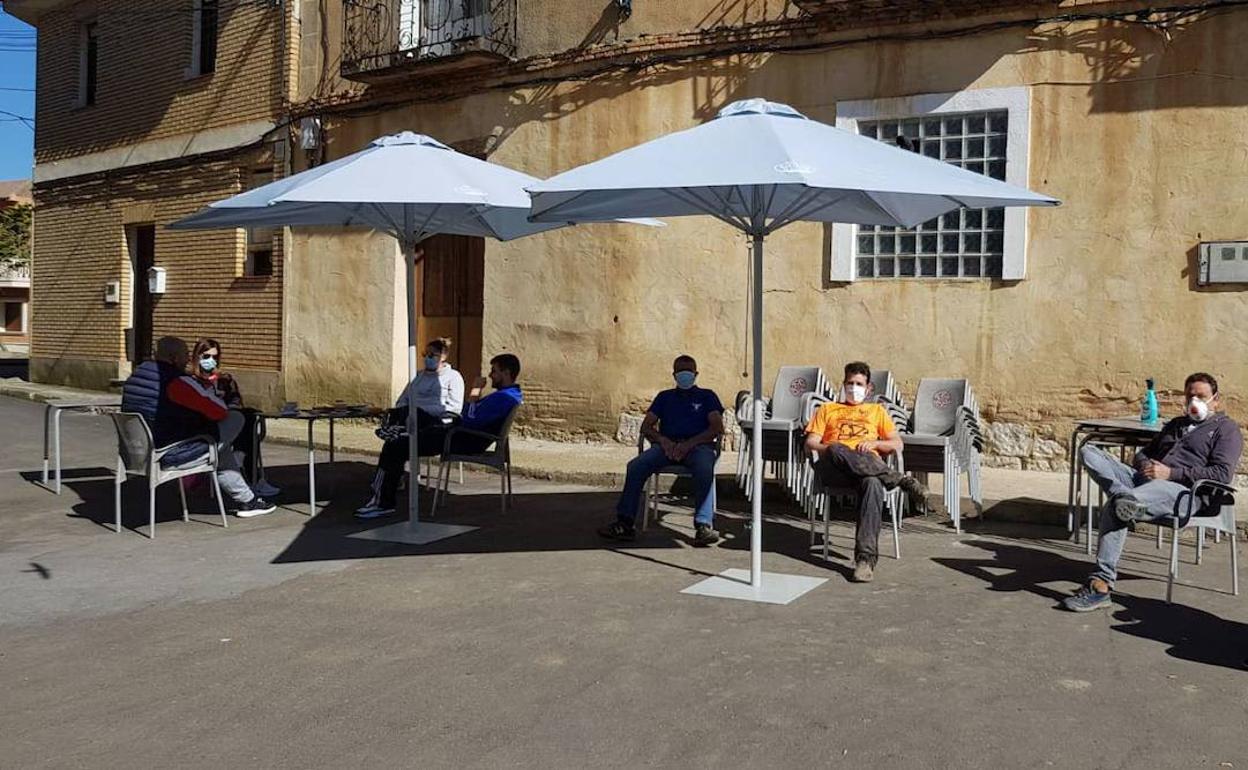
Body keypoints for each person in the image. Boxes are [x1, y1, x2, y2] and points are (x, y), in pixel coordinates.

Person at [1063, 373, 1243, 612]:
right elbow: (1142, 454)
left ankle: (1101, 586)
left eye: (1201, 396)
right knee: (1090, 452)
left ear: (1216, 400)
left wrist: (1171, 473)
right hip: (1144, 482)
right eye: (1190, 395)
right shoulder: (1176, 425)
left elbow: (1221, 473)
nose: (1194, 401)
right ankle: (1123, 496)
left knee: (1119, 506)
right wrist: (1145, 465)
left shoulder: (1226, 429)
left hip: (1183, 493)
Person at [120, 336, 276, 518]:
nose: (187, 360)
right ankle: (244, 476)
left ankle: (248, 501)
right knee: (237, 419)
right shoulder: (175, 381)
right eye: (185, 355)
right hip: (171, 452)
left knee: (218, 450)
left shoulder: (134, 377)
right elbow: (219, 411)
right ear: (174, 357)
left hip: (137, 452)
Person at [356, 352, 522, 519]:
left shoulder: (505, 398)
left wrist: (475, 390)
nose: (490, 375)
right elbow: (470, 414)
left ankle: (382, 502)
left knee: (395, 446)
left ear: (506, 373)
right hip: (458, 433)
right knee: (414, 415)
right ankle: (397, 430)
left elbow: (469, 418)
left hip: (462, 439)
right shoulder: (507, 395)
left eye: (494, 371)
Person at [803, 361, 928, 583]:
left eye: (858, 383)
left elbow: (897, 444)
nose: (853, 387)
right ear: (843, 384)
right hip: (834, 469)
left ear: (868, 387)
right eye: (850, 383)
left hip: (868, 468)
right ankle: (898, 479)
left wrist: (875, 443)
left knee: (872, 483)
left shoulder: (877, 411)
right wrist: (831, 449)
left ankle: (865, 561)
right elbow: (810, 444)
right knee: (836, 448)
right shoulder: (827, 409)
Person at [599, 355, 724, 547]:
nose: (685, 376)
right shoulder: (664, 397)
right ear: (674, 375)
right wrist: (663, 441)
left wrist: (689, 444)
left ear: (696, 374)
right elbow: (647, 426)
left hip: (697, 447)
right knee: (636, 466)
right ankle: (625, 523)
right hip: (667, 447)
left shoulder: (707, 396)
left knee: (704, 467)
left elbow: (716, 427)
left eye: (688, 372)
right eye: (681, 372)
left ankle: (703, 525)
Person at [189, 337, 279, 499]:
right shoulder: (191, 381)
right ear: (197, 357)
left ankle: (249, 471)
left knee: (249, 415)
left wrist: (228, 407)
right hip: (206, 424)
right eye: (207, 356)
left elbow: (235, 401)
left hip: (227, 418)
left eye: (215, 357)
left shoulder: (224, 380)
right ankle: (248, 470)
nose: (211, 361)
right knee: (245, 420)